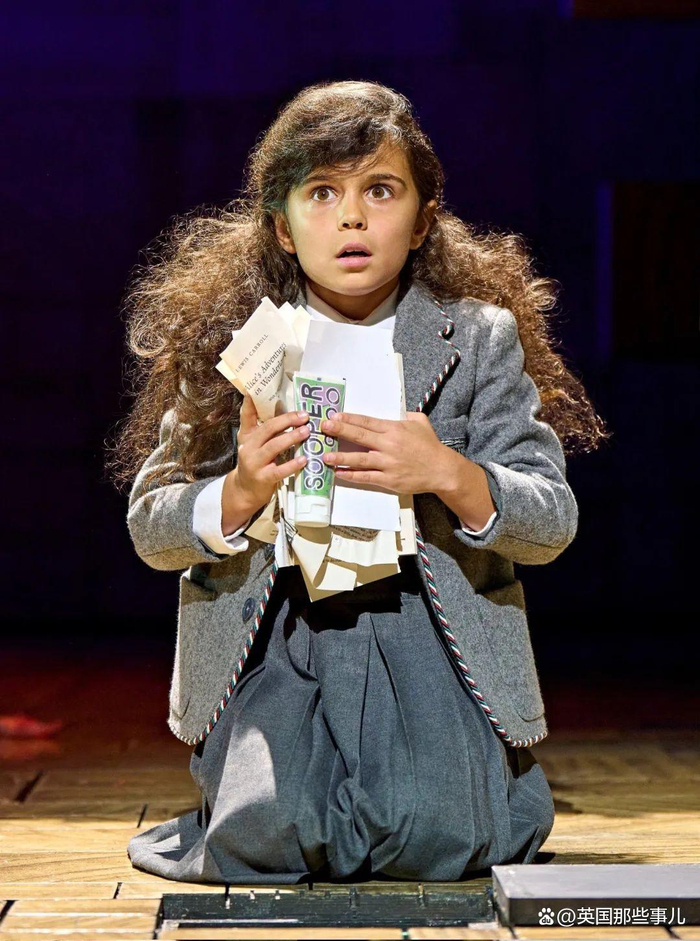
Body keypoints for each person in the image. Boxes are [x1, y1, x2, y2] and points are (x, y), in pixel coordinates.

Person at [107, 80, 609, 884]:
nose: (351, 218)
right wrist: (238, 493)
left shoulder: (476, 339)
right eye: (321, 193)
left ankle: (459, 789)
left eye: (380, 190)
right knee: (265, 834)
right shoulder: (237, 343)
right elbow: (151, 524)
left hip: (424, 631)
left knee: (434, 835)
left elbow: (551, 519)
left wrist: (449, 473)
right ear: (282, 224)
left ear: (422, 219)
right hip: (281, 632)